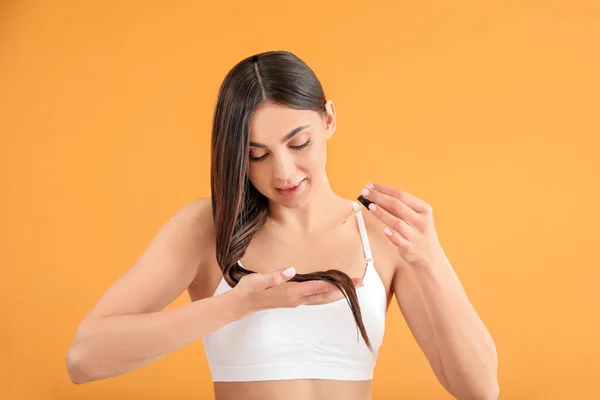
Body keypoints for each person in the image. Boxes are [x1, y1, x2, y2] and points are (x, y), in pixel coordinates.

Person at [66, 50, 499, 400]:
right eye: (258, 155)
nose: (284, 173)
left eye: (299, 143)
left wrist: (430, 260)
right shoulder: (209, 227)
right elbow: (84, 359)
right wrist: (238, 305)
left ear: (328, 120)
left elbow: (479, 390)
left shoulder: (379, 235)